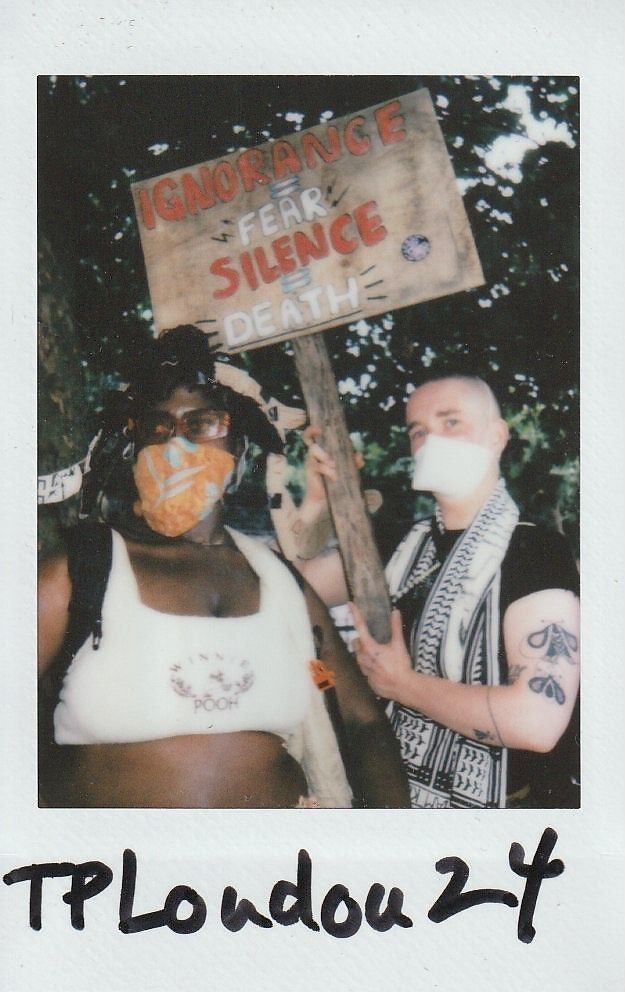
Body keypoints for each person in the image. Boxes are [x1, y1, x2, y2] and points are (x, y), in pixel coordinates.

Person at [37, 326, 410, 809]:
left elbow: (355, 717)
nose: (176, 446)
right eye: (157, 427)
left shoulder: (283, 590)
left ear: (239, 444)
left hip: (274, 877)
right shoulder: (78, 572)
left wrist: (386, 842)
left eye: (203, 424)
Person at [294, 373, 580, 809]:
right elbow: (290, 591)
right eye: (418, 431)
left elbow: (536, 723)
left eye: (451, 422)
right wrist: (317, 501)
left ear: (498, 435)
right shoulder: (395, 546)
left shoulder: (535, 551)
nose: (431, 441)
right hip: (392, 799)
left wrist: (402, 684)